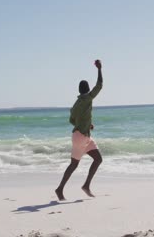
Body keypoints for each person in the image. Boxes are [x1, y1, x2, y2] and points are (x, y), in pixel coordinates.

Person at [55, 59, 104, 201]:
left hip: (81, 136)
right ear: (88, 90)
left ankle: (81, 186)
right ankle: (65, 188)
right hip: (82, 136)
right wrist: (99, 69)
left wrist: (87, 124)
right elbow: (99, 85)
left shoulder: (75, 104)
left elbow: (72, 120)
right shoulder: (88, 98)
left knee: (95, 159)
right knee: (80, 163)